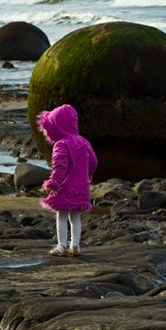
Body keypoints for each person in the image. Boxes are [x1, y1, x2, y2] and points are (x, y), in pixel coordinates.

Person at [37, 104, 98, 258]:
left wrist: (53, 183)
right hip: (82, 187)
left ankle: (61, 246)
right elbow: (94, 161)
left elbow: (60, 168)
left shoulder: (61, 145)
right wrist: (87, 175)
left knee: (61, 216)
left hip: (65, 188)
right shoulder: (84, 142)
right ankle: (75, 245)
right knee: (76, 217)